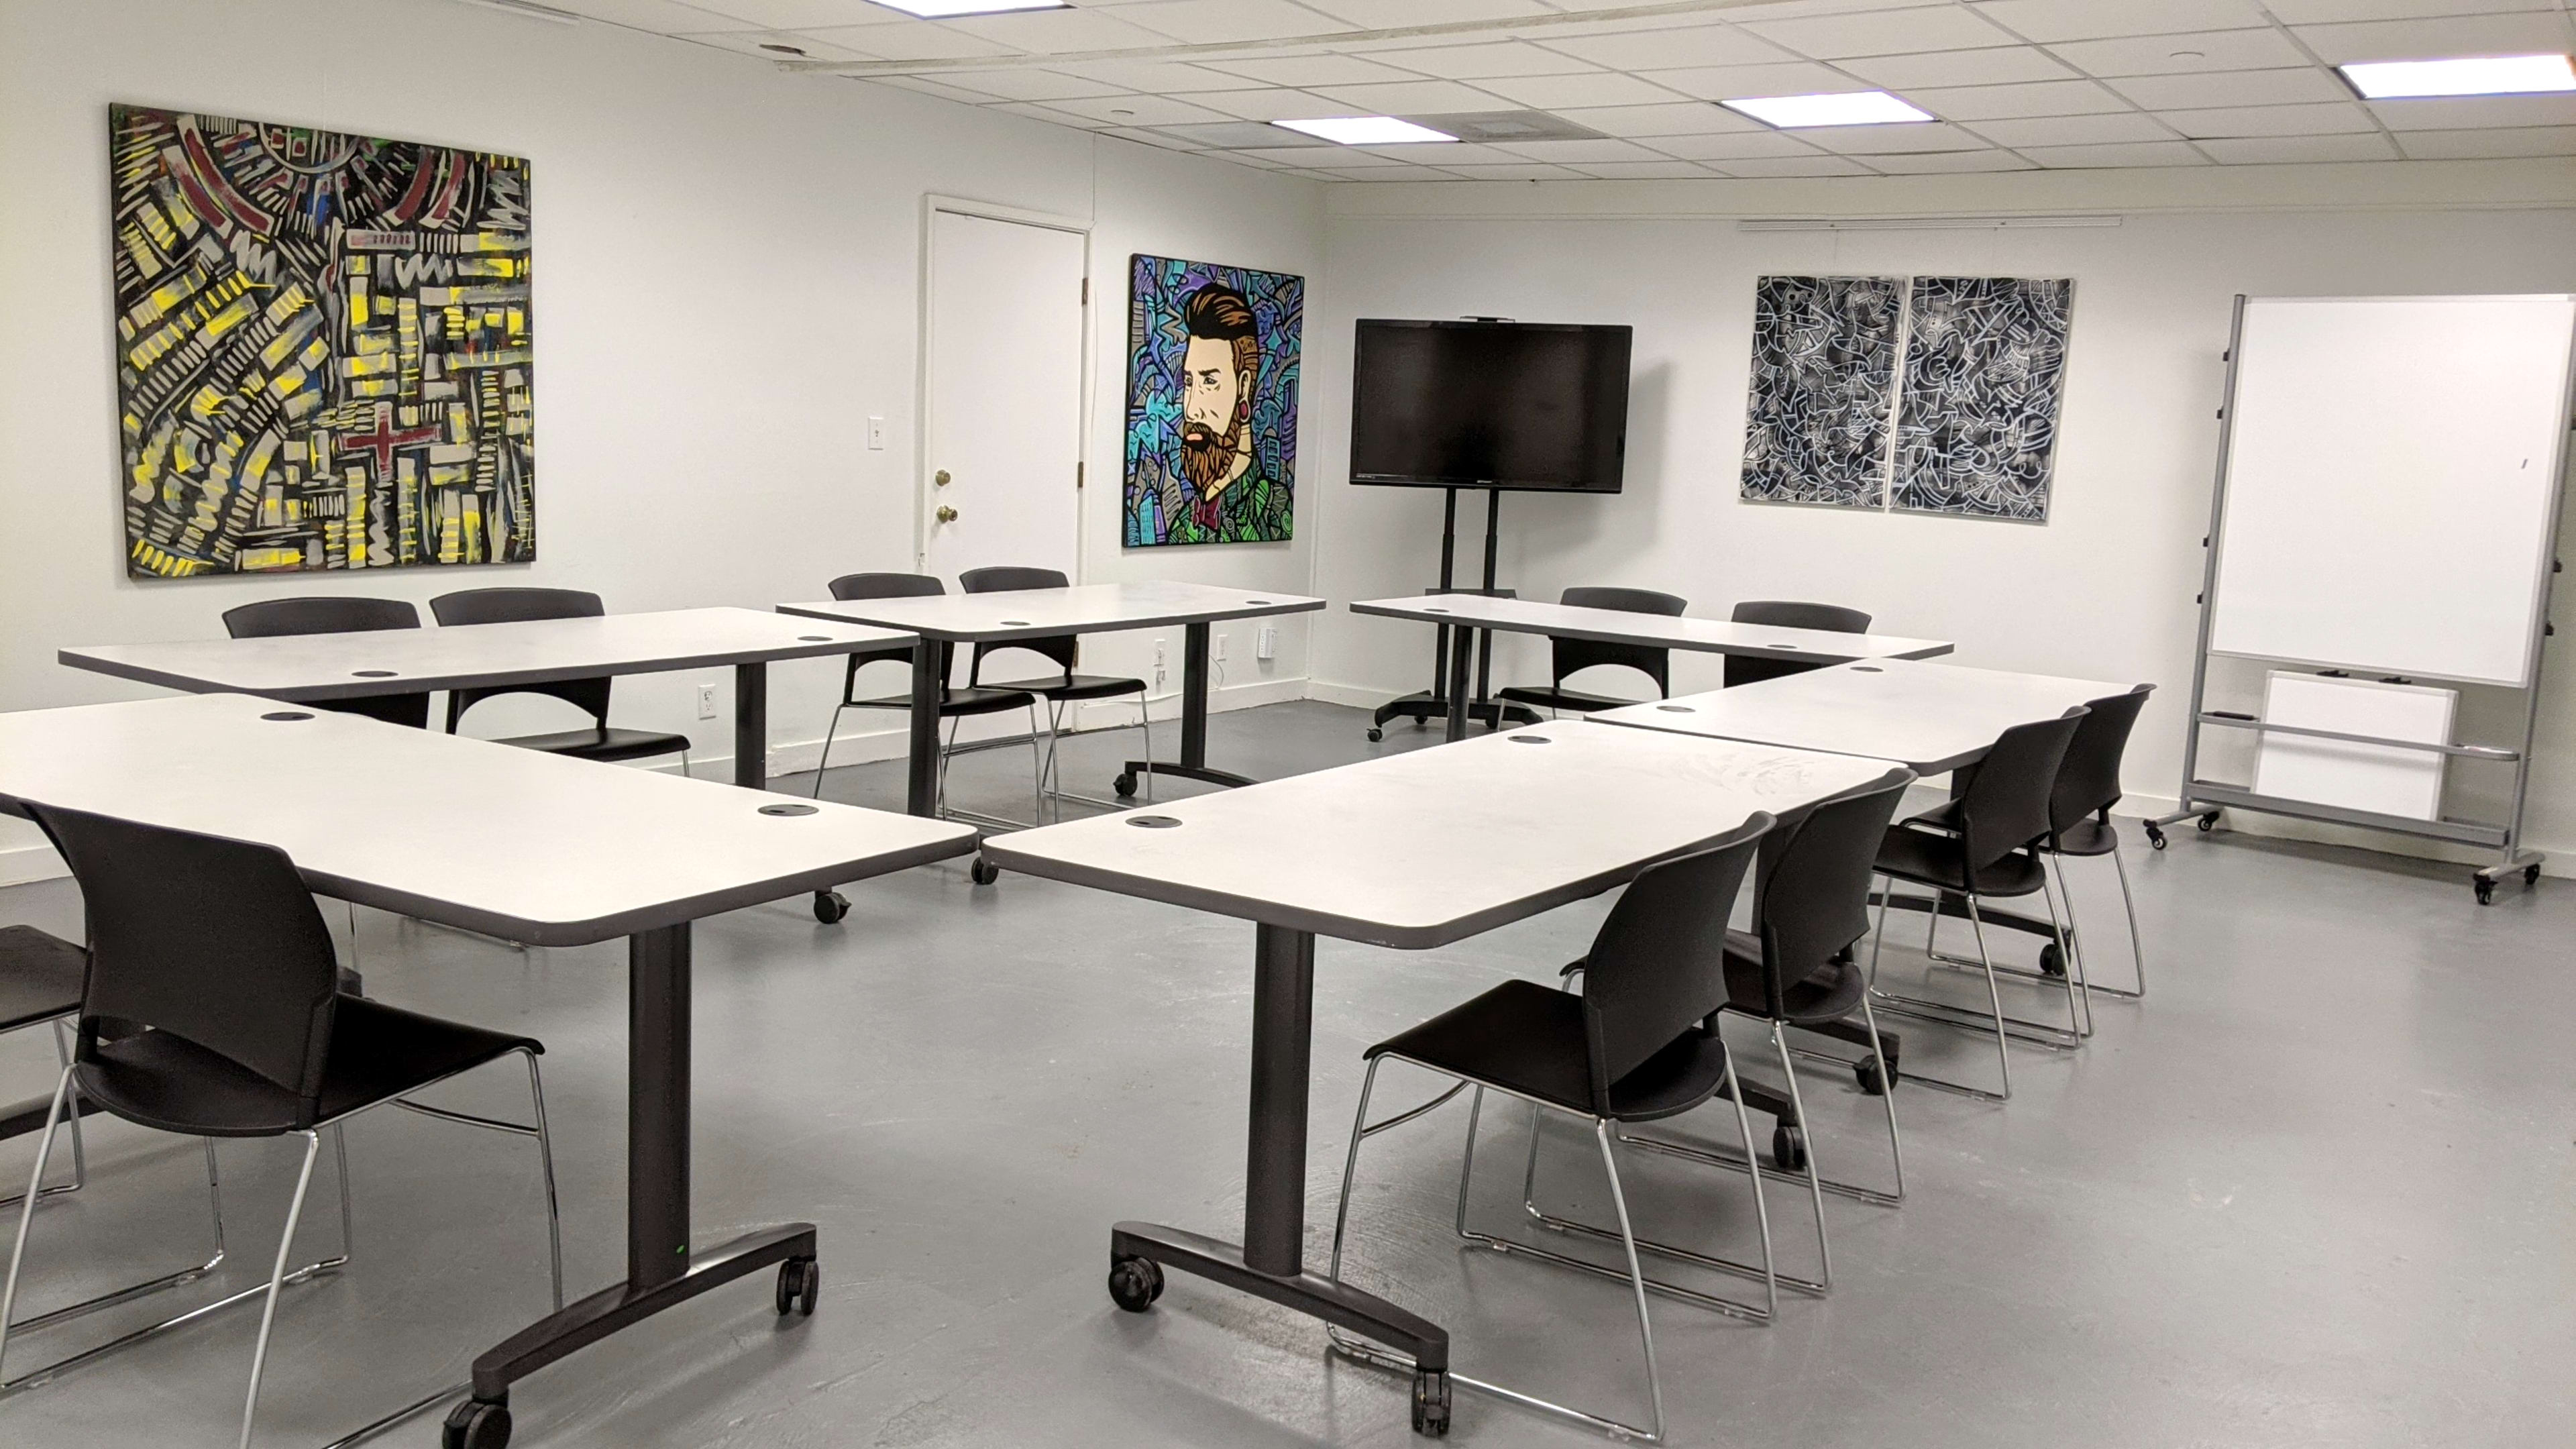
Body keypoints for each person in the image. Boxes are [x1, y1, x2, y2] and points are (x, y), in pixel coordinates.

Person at [1128, 283, 1290, 545]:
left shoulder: (1274, 508)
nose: (1192, 410)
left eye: (1209, 382)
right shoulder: (1184, 523)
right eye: (1190, 383)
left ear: (1244, 387)